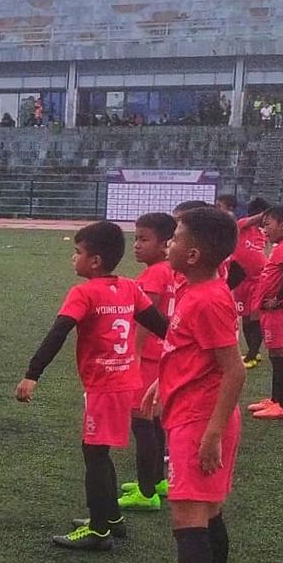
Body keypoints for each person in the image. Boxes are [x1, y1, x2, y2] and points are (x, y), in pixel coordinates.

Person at [123, 206, 244, 563]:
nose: (167, 244)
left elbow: (232, 371)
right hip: (191, 414)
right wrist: (162, 380)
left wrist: (211, 433)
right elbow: (189, 351)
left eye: (173, 239)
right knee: (209, 514)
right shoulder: (195, 290)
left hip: (199, 423)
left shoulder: (208, 298)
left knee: (189, 522)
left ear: (192, 253)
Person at [16, 221, 168, 550]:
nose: (74, 259)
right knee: (99, 452)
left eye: (77, 252)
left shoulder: (83, 292)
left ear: (95, 261)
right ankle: (112, 517)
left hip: (104, 385)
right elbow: (160, 324)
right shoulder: (129, 287)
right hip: (127, 379)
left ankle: (99, 530)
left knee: (95, 453)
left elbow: (59, 332)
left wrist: (32, 374)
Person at [119, 212, 178, 513]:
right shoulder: (168, 270)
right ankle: (156, 481)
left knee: (141, 422)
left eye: (144, 239)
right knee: (154, 419)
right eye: (136, 239)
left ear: (165, 243)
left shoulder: (154, 274)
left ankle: (145, 492)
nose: (137, 245)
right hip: (161, 353)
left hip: (148, 356)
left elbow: (146, 315)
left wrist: (136, 351)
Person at [248, 205, 283, 420]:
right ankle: (275, 399)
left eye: (267, 225)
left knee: (279, 356)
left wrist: (278, 299)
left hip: (277, 313)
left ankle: (282, 404)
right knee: (275, 355)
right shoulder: (282, 246)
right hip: (272, 312)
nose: (264, 230)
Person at [225, 198, 271, 369]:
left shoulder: (262, 233)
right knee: (245, 316)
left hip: (259, 281)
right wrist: (269, 213)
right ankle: (254, 352)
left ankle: (252, 353)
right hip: (241, 281)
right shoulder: (242, 225)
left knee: (254, 316)